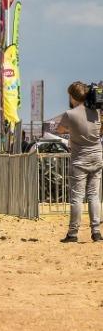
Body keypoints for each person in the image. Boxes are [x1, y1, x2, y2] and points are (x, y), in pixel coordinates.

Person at [57, 82, 102, 243]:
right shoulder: (96, 112)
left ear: (72, 96)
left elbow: (60, 130)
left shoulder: (70, 114)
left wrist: (73, 130)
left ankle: (73, 233)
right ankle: (96, 232)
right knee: (93, 196)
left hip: (80, 159)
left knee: (76, 198)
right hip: (97, 156)